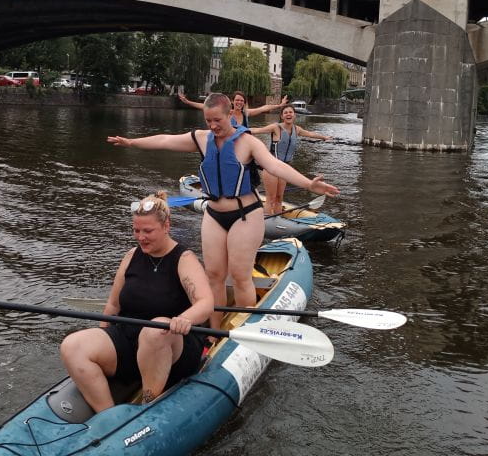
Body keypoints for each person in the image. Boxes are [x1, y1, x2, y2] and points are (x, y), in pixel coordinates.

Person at [108, 93, 339, 329]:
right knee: (214, 276)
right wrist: (132, 142)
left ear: (230, 114)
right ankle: (214, 333)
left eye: (217, 119)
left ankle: (248, 327)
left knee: (240, 276)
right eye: (208, 120)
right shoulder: (201, 138)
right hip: (214, 214)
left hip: (245, 214)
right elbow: (166, 140)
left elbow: (275, 165)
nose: (213, 125)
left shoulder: (248, 142)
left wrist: (309, 184)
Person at [60, 191, 214, 412]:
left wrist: (183, 319)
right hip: (129, 338)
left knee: (155, 330)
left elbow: (205, 303)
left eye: (148, 231)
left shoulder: (184, 259)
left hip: (171, 344)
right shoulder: (131, 255)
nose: (141, 237)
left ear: (166, 226)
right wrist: (102, 336)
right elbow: (113, 306)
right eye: (136, 230)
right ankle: (108, 415)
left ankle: (147, 405)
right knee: (72, 345)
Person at [250, 104, 333, 215]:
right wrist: (236, 130)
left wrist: (324, 137)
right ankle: (267, 222)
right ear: (282, 116)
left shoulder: (297, 129)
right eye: (286, 113)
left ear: (294, 115)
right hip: (271, 168)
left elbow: (310, 134)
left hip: (284, 169)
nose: (288, 114)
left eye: (290, 112)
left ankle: (278, 220)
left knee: (279, 198)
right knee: (271, 198)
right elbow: (256, 130)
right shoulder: (276, 127)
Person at [178, 90, 288, 128]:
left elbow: (264, 107)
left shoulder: (246, 113)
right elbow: (205, 106)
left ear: (244, 102)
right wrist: (188, 102)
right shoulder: (227, 113)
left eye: (241, 101)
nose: (239, 102)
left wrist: (279, 105)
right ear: (232, 101)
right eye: (237, 100)